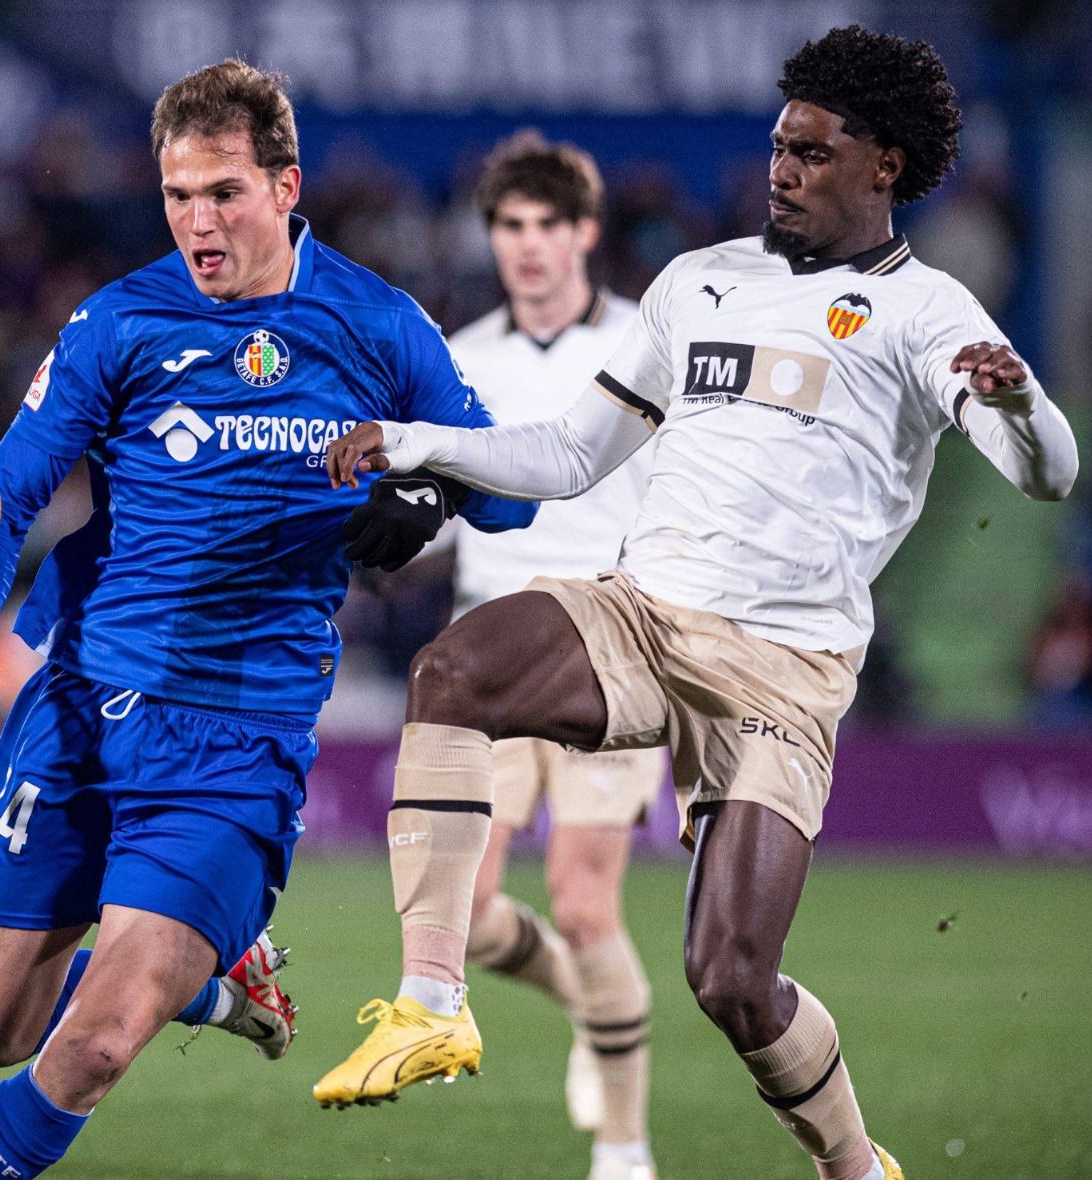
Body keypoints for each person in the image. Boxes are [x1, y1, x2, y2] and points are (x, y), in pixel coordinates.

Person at [315, 26, 1078, 1180]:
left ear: (883, 164)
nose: (782, 170)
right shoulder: (699, 281)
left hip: (784, 663)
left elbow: (1047, 473)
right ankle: (432, 1000)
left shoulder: (929, 312)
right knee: (452, 670)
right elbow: (572, 454)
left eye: (812, 153)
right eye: (777, 147)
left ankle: (853, 1164)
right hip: (643, 613)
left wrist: (1017, 404)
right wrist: (419, 443)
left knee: (730, 979)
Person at [0, 60, 535, 1178]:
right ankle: (219, 983)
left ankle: (171, 967)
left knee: (93, 1047)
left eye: (224, 192)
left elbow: (512, 493)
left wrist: (431, 482)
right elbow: (1, 498)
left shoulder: (376, 322)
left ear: (285, 186)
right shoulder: (118, 321)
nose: (198, 222)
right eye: (178, 196)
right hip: (79, 709)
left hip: (235, 739)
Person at [443, 130, 663, 1180]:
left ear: (585, 232)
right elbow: (433, 511)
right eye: (508, 226)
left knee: (581, 901)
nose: (526, 246)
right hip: (487, 652)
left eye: (546, 225)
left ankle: (623, 1145)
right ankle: (590, 1004)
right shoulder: (456, 357)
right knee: (461, 913)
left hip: (610, 646)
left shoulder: (648, 346)